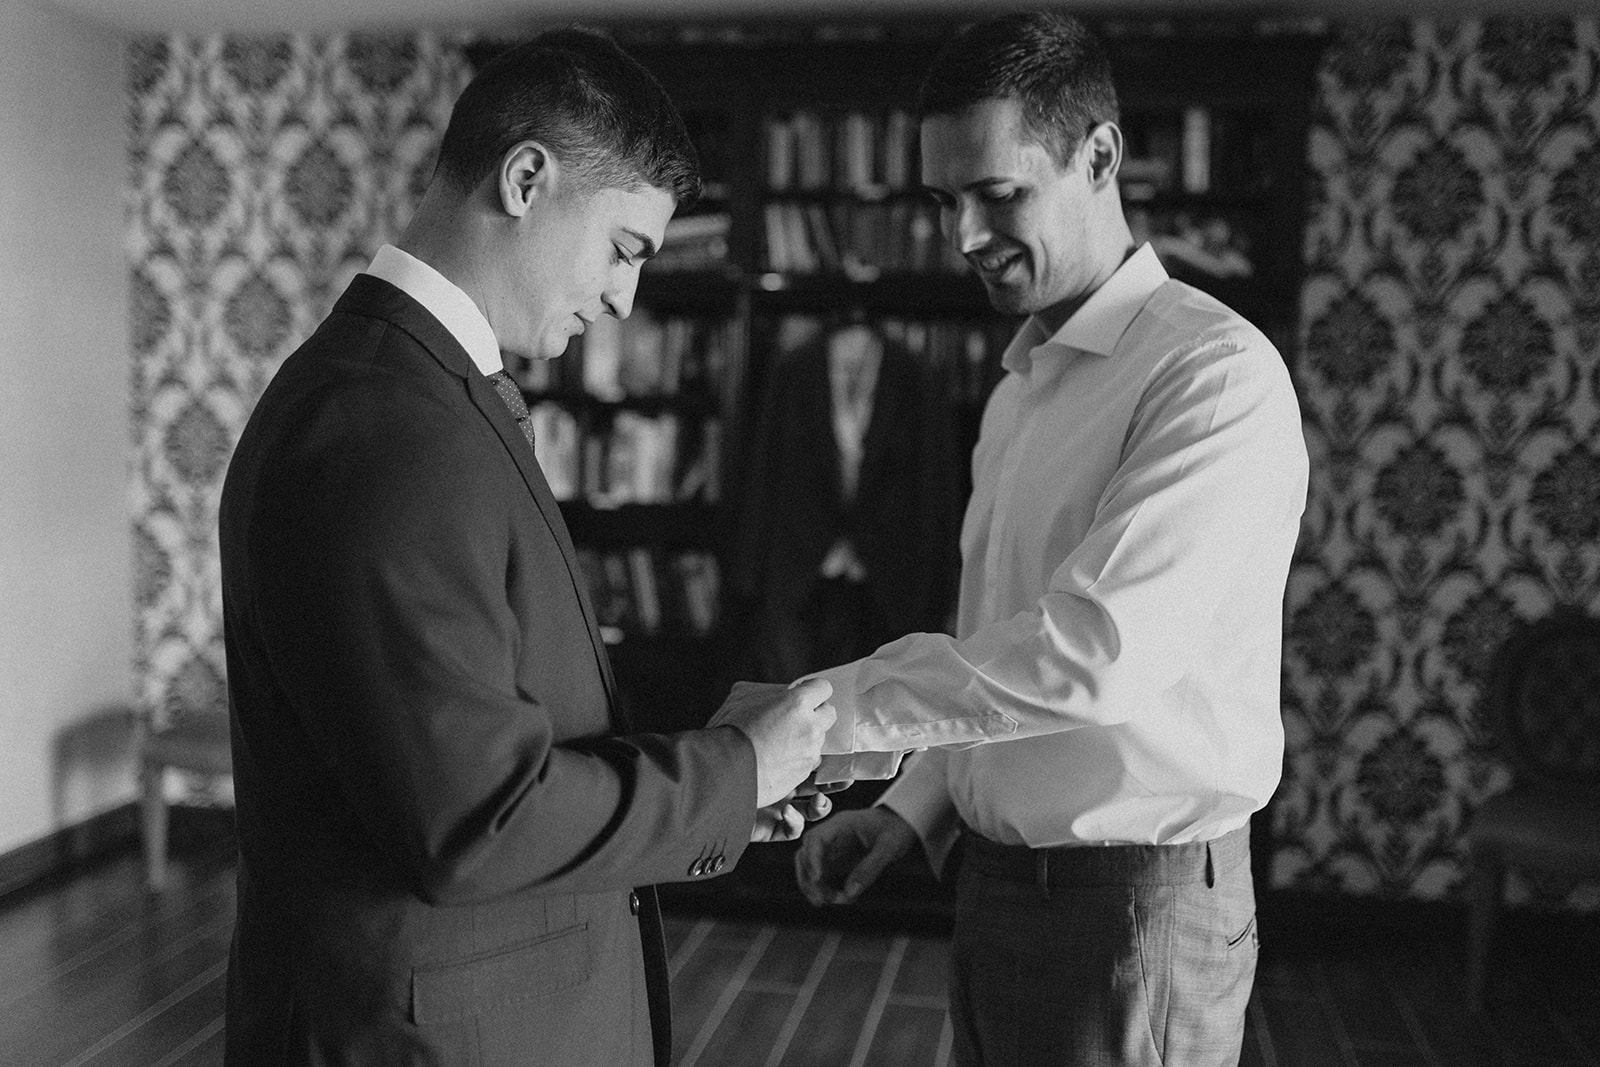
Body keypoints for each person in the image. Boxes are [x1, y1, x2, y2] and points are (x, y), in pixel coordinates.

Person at [218, 29, 834, 1067]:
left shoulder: (423, 394)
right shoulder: (382, 424)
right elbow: (477, 818)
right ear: (526, 179)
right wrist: (731, 771)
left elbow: (490, 733)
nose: (625, 297)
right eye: (625, 248)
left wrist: (731, 787)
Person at [793, 11, 1309, 1067]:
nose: (962, 235)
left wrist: (821, 716)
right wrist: (914, 807)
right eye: (944, 201)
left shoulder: (1212, 374)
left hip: (1132, 912)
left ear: (1100, 156)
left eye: (996, 193)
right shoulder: (1018, 389)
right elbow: (1000, 644)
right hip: (994, 886)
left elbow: (1090, 655)